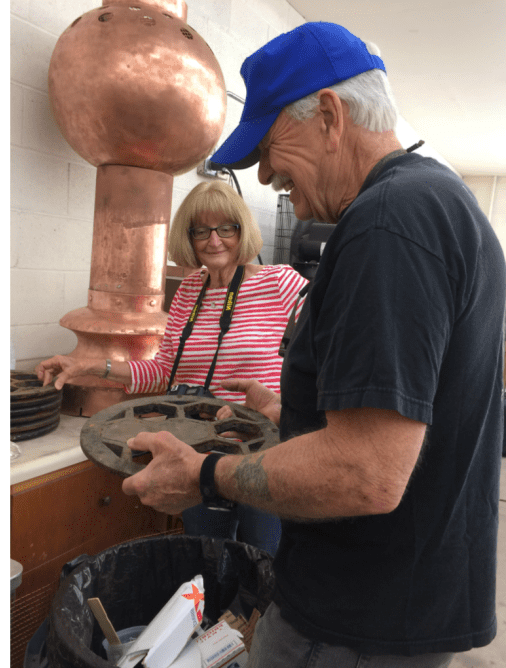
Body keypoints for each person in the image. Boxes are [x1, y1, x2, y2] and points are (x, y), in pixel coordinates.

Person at [119, 22, 505, 667]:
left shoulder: (389, 221)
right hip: (401, 604)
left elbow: (365, 473)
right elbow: (413, 412)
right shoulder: (442, 201)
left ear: (328, 113)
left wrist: (205, 474)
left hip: (354, 620)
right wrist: (289, 415)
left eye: (270, 146)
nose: (267, 173)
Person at [35, 180, 308, 555]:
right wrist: (85, 365)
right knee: (206, 557)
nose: (214, 241)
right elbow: (162, 372)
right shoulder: (188, 292)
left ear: (242, 230)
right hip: (197, 453)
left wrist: (282, 401)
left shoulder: (281, 284)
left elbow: (330, 348)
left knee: (263, 558)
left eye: (226, 228)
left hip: (260, 454)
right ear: (189, 237)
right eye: (201, 231)